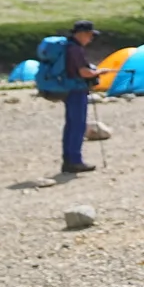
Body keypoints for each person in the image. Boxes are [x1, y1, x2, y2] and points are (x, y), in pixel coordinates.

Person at [61, 21, 101, 173]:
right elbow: (83, 72)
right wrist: (98, 73)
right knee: (78, 125)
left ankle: (68, 160)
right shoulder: (75, 49)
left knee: (71, 125)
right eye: (90, 35)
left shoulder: (67, 46)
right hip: (77, 90)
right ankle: (75, 161)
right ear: (82, 33)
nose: (90, 39)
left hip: (68, 89)